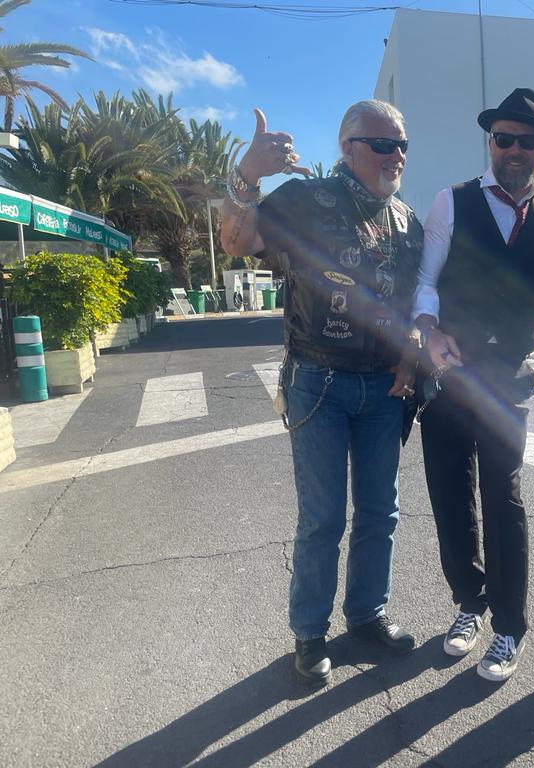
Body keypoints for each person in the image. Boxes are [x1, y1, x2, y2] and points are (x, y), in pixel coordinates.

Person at [220, 100, 423, 684]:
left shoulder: (406, 219)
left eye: (402, 143)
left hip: (385, 387)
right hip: (320, 380)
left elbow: (414, 303)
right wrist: (248, 178)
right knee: (322, 518)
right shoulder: (308, 201)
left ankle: (366, 615)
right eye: (383, 144)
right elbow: (237, 240)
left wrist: (410, 358)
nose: (396, 154)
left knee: (380, 512)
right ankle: (309, 634)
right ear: (348, 147)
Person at [412, 88, 534, 682]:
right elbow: (425, 283)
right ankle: (469, 603)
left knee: (503, 496)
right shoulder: (451, 202)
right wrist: (428, 331)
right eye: (502, 138)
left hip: (509, 374)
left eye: (525, 140)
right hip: (450, 369)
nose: (512, 148)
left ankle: (510, 626)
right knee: (449, 492)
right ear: (490, 142)